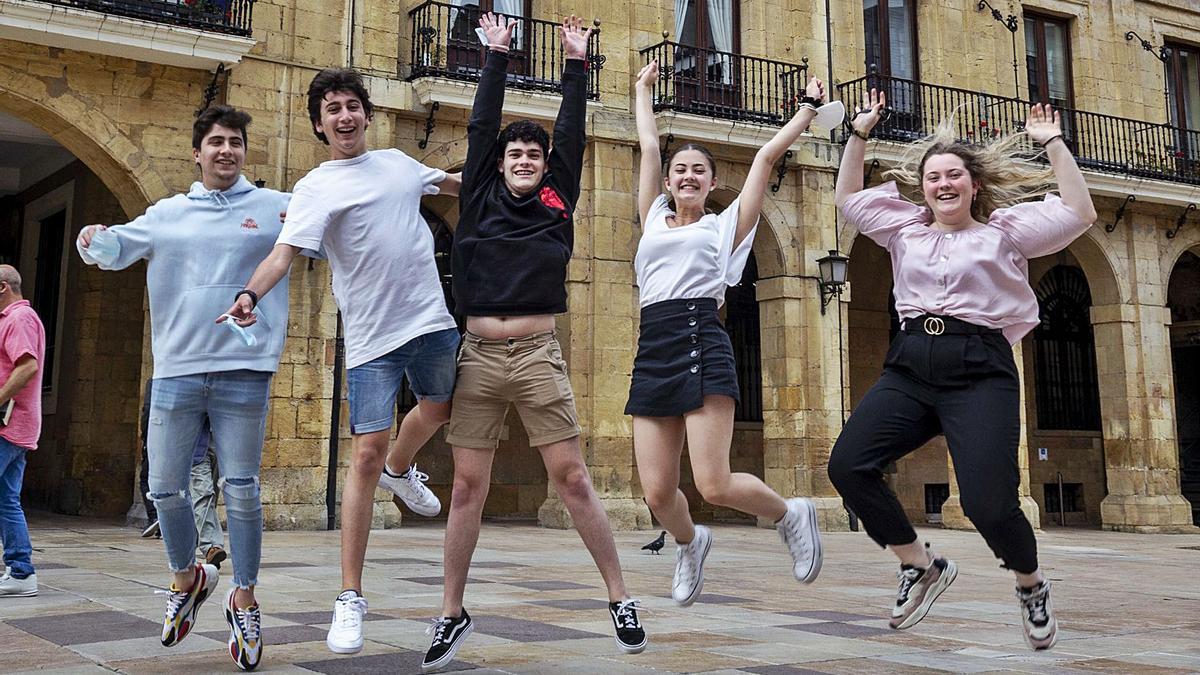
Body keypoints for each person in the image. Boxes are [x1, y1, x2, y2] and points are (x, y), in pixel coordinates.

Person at [829, 92, 1097, 651]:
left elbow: (1079, 212)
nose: (943, 184)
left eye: (954, 175)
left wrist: (1052, 144)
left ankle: (1030, 584)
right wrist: (858, 135)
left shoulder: (1007, 232)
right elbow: (849, 196)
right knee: (849, 465)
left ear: (974, 185)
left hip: (980, 369)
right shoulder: (903, 229)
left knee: (988, 502)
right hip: (910, 366)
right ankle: (919, 566)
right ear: (922, 187)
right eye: (933, 177)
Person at [421, 14, 645, 673]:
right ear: (499, 162)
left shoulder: (557, 196)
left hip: (538, 355)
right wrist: (494, 56)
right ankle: (452, 610)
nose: (523, 158)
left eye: (533, 154)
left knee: (572, 477)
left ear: (546, 166)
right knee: (467, 486)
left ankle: (620, 596)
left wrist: (576, 63)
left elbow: (570, 132)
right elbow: (481, 126)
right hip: (479, 358)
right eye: (515, 153)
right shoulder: (483, 192)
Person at [222, 68, 461, 656]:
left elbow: (456, 186)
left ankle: (402, 471)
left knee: (441, 406)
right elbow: (284, 254)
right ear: (320, 123)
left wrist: (516, 179)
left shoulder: (401, 165)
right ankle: (350, 596)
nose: (345, 116)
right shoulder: (315, 187)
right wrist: (250, 294)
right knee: (364, 453)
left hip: (431, 320)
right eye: (333, 109)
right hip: (373, 339)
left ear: (367, 114)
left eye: (353, 105)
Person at [78, 105, 294, 670]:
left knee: (242, 487)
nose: (227, 151)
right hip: (176, 369)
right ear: (197, 153)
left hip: (245, 370)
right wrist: (91, 237)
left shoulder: (276, 210)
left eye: (236, 142)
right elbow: (113, 250)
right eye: (217, 142)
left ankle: (243, 596)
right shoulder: (167, 214)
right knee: (166, 486)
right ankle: (187, 576)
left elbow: (332, 229)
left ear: (246, 152)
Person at [628, 60, 825, 608]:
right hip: (654, 346)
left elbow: (764, 157)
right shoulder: (651, 218)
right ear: (668, 182)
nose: (687, 176)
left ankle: (791, 514)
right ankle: (691, 543)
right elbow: (647, 145)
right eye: (680, 170)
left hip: (700, 339)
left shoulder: (724, 228)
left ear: (713, 184)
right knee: (658, 493)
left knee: (712, 484)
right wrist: (643, 90)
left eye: (699, 171)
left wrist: (805, 112)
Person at [0, 266, 45, 598]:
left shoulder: (18, 319)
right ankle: (21, 572)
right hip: (16, 426)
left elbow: (27, 365)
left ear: (2, 288)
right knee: (6, 501)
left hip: (7, 425)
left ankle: (20, 570)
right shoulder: (17, 319)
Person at [189, 418, 227, 568]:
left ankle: (186, 551)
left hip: (219, 439)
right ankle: (211, 546)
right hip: (195, 441)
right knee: (203, 494)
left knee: (208, 498)